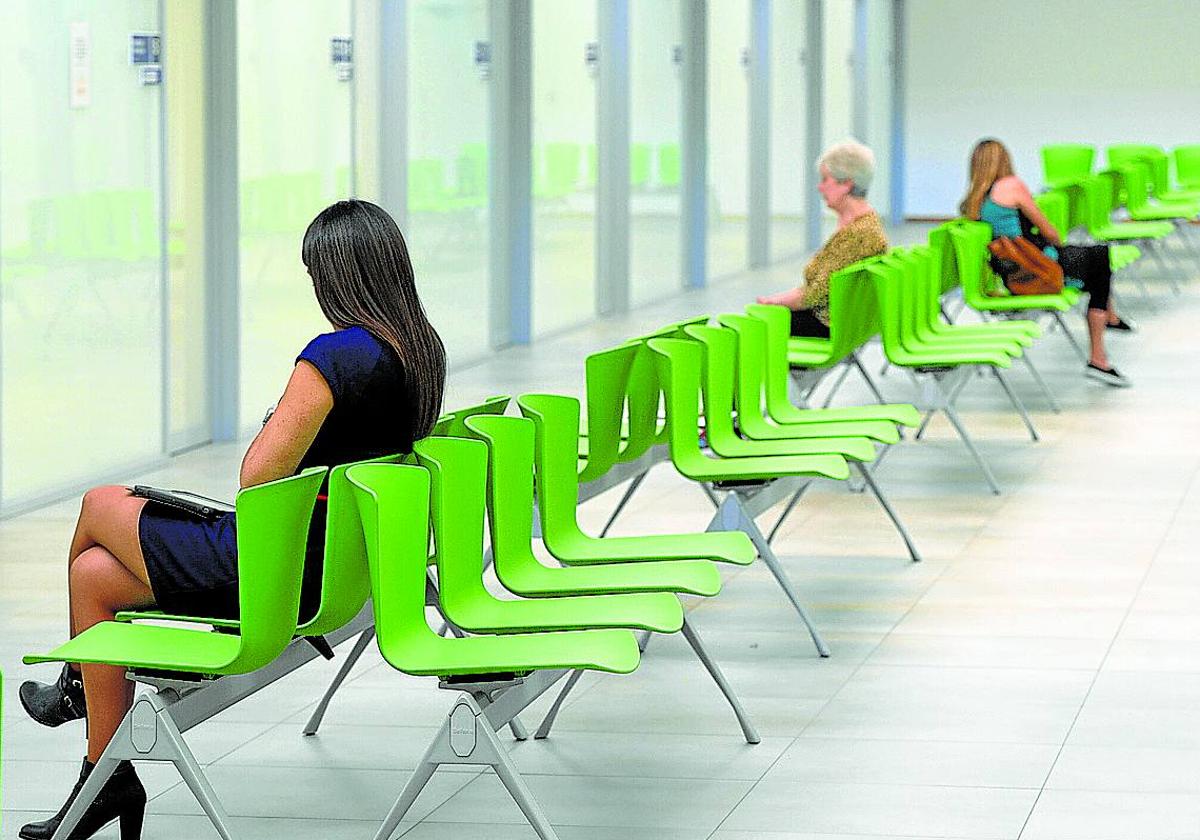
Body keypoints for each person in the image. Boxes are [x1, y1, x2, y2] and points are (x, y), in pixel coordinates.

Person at [16, 199, 447, 840]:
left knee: (100, 503)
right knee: (95, 577)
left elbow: (256, 474)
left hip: (272, 572)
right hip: (331, 568)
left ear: (337, 276)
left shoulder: (335, 356)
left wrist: (278, 414)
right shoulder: (417, 356)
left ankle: (77, 683)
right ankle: (103, 778)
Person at [960, 138, 1133, 388]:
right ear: (1004, 160)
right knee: (1099, 259)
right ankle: (1099, 356)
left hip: (1013, 274)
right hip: (1037, 267)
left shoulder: (974, 202)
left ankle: (1110, 322)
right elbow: (1049, 232)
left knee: (1094, 263)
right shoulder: (1011, 185)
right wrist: (1057, 240)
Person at [758, 139, 889, 338]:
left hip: (828, 324)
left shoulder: (859, 233)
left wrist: (773, 302)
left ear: (846, 183)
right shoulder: (862, 224)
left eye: (825, 180)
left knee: (749, 331)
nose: (820, 188)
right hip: (839, 320)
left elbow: (814, 294)